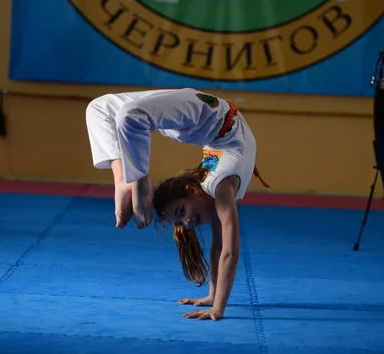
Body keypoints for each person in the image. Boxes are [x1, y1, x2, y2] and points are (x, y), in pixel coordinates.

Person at [85, 87, 269, 321]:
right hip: (204, 126)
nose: (188, 221)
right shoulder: (215, 196)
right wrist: (212, 296)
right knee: (99, 108)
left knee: (129, 115)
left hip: (207, 117)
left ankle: (136, 180)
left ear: (192, 190)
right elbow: (218, 248)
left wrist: (218, 309)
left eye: (181, 212)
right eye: (180, 220)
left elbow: (230, 253)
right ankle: (124, 177)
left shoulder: (220, 190)